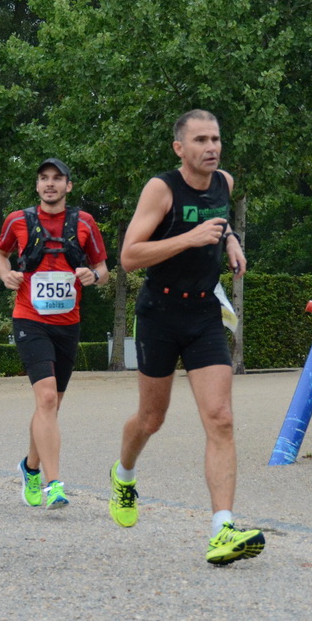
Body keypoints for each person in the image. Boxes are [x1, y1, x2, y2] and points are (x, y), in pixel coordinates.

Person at [113, 110, 264, 566]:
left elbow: (221, 220)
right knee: (150, 418)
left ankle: (222, 529)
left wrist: (230, 240)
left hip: (203, 312)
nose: (211, 147)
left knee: (220, 417)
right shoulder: (162, 189)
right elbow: (129, 256)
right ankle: (124, 474)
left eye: (215, 138)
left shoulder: (224, 183)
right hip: (159, 313)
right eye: (200, 140)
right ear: (180, 148)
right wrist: (189, 237)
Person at [0, 158, 110, 510]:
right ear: (37, 185)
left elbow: (103, 268)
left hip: (68, 323)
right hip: (29, 319)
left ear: (68, 186)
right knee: (45, 399)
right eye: (44, 178)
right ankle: (53, 484)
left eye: (57, 178)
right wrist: (5, 274)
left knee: (51, 406)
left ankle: (30, 467)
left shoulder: (85, 222)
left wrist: (93, 276)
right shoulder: (17, 219)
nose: (50, 184)